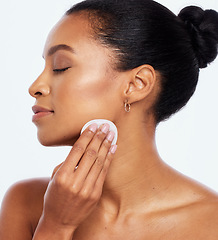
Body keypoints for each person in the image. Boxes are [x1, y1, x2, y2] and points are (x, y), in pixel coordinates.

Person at [1, 0, 218, 239]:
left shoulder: (211, 223)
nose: (35, 87)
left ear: (137, 84)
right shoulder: (27, 203)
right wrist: (55, 227)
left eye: (60, 66)